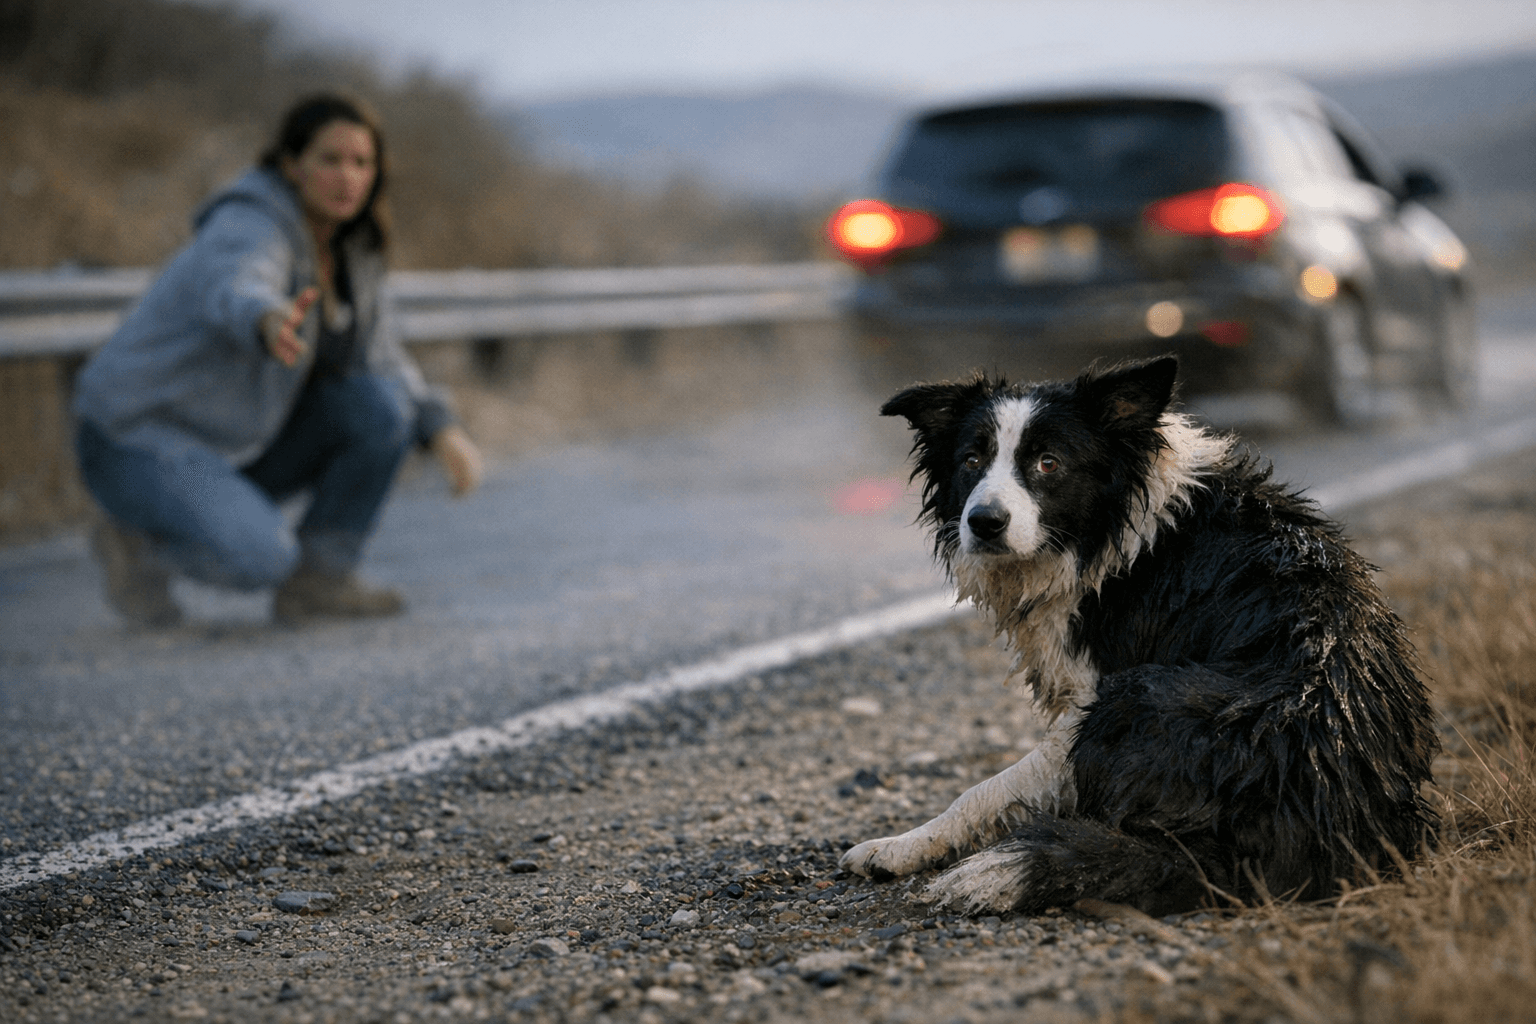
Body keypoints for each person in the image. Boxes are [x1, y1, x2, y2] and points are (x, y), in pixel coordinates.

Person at [72, 92, 483, 626]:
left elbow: (382, 360)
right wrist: (267, 319)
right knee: (260, 557)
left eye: (362, 163)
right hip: (137, 436)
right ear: (292, 166)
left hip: (233, 443)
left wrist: (439, 425)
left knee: (381, 405)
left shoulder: (352, 249)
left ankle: (319, 582)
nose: (347, 177)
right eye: (329, 160)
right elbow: (238, 281)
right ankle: (135, 544)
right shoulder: (251, 221)